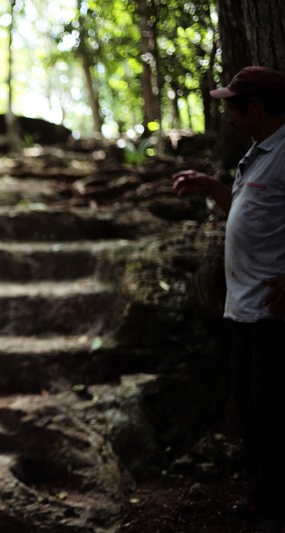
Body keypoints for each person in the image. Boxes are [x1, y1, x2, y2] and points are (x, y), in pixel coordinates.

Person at [172, 65, 285, 533]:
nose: (228, 118)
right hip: (242, 306)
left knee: (275, 410)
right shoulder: (258, 153)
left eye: (232, 107)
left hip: (274, 311)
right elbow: (248, 208)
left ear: (254, 107)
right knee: (250, 405)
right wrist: (212, 187)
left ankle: (280, 511)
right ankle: (260, 498)